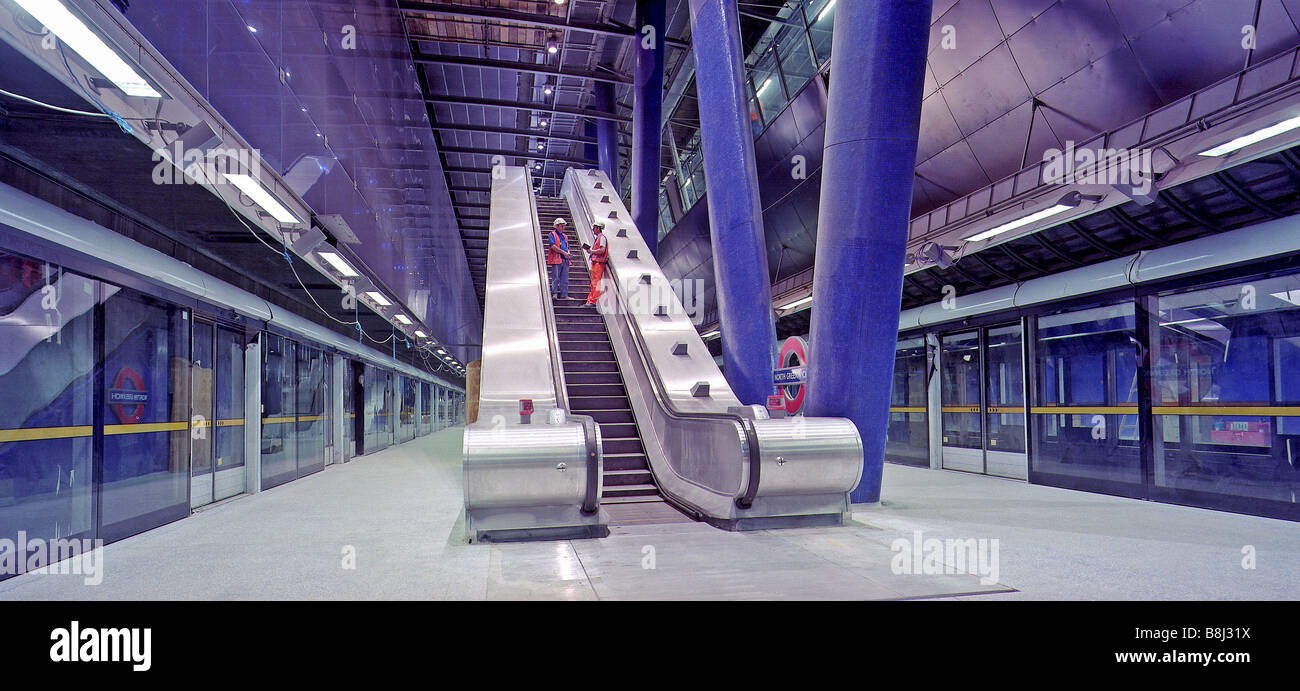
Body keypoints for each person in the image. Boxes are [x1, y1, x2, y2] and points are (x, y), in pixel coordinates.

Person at [584, 221, 609, 307]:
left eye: (594, 227)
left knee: (596, 282)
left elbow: (602, 250)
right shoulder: (599, 238)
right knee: (593, 282)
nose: (593, 229)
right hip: (596, 263)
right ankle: (590, 300)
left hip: (599, 263)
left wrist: (592, 251)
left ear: (598, 228)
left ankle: (593, 301)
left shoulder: (602, 238)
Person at [547, 218, 571, 299]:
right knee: (555, 277)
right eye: (561, 226)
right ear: (557, 226)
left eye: (564, 226)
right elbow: (553, 246)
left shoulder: (565, 236)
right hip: (556, 259)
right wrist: (563, 253)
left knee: (564, 278)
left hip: (565, 260)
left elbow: (567, 247)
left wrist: (568, 253)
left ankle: (564, 295)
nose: (563, 228)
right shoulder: (552, 235)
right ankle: (554, 294)